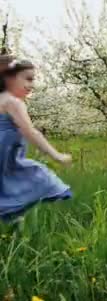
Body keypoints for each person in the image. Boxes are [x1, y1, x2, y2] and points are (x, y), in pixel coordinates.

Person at [0, 56, 72, 225]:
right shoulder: (13, 102)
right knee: (38, 175)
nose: (32, 85)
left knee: (6, 190)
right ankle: (15, 227)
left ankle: (13, 227)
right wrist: (56, 155)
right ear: (8, 77)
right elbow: (31, 132)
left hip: (6, 159)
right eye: (28, 79)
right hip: (6, 159)